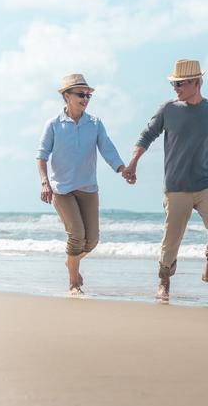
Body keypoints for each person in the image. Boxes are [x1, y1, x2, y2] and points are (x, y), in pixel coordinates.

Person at [122, 59, 208, 300]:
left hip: (206, 183)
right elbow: (146, 136)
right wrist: (133, 163)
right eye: (174, 84)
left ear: (197, 83)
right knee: (171, 241)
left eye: (180, 84)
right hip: (176, 186)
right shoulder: (168, 110)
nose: (175, 88)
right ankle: (164, 283)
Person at [36, 74, 127, 294]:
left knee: (92, 240)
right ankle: (73, 282)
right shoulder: (54, 124)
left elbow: (108, 148)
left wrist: (122, 169)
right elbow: (41, 156)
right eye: (80, 94)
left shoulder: (95, 124)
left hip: (88, 188)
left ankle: (71, 262)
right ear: (66, 96)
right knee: (76, 234)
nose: (85, 98)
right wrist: (44, 183)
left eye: (88, 95)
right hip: (62, 189)